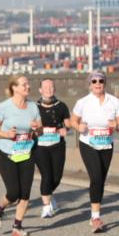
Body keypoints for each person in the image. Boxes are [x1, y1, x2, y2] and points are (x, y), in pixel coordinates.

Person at [70, 71, 119, 233]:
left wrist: (117, 126)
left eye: (100, 81)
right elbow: (73, 120)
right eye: (94, 81)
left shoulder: (114, 101)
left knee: (100, 179)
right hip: (88, 143)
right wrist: (79, 127)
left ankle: (94, 215)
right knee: (95, 177)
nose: (97, 84)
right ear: (89, 85)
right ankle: (96, 217)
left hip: (107, 144)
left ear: (104, 83)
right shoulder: (83, 102)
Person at [0, 76, 41, 236]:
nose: (28, 86)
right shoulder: (4, 107)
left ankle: (17, 226)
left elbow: (40, 130)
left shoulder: (33, 107)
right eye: (24, 84)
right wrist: (6, 134)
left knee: (25, 194)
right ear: (14, 88)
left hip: (26, 153)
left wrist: (37, 129)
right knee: (13, 193)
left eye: (28, 84)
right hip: (8, 154)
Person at [33, 79, 70, 218]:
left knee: (56, 177)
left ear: (54, 89)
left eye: (51, 87)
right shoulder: (33, 107)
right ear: (40, 90)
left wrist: (66, 129)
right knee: (46, 175)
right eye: (45, 87)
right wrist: (34, 128)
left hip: (57, 146)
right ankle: (46, 207)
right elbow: (28, 123)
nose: (48, 89)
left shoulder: (62, 106)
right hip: (40, 147)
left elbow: (68, 124)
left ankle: (48, 195)